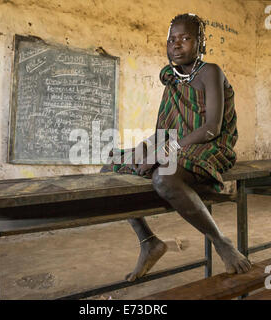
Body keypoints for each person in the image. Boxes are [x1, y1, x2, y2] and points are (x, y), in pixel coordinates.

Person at [101, 13, 252, 281]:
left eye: (185, 38)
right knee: (111, 169)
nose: (177, 45)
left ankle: (220, 241)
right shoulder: (172, 80)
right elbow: (164, 131)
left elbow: (211, 128)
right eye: (172, 39)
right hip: (178, 145)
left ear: (200, 43)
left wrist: (162, 154)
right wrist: (144, 149)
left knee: (164, 177)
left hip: (211, 146)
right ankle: (149, 241)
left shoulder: (210, 72)